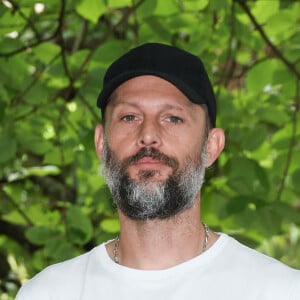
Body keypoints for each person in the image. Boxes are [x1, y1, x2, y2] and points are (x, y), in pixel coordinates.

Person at [16, 43, 300, 299]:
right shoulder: (48, 293)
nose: (148, 135)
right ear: (101, 143)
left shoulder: (277, 290)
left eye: (173, 118)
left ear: (211, 146)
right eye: (129, 117)